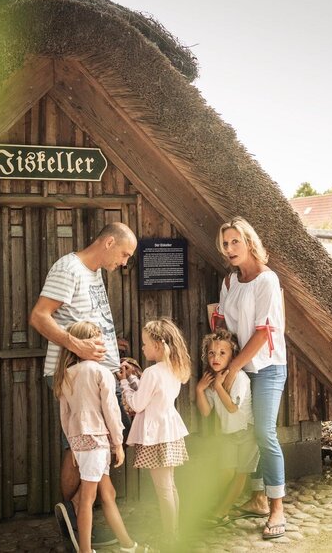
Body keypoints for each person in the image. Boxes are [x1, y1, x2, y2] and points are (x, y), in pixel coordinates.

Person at [30, 221, 137, 548]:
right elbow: (39, 317)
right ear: (108, 243)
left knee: (89, 444)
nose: (124, 263)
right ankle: (76, 518)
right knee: (76, 446)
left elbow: (82, 320)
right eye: (124, 254)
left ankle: (81, 508)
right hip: (76, 375)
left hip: (98, 372)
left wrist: (109, 345)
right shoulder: (68, 268)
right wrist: (77, 347)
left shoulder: (95, 273)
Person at [212, 217, 288, 540]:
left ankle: (277, 508)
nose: (229, 249)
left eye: (235, 243)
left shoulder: (267, 281)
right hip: (240, 369)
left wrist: (232, 369)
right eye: (225, 244)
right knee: (244, 434)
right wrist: (222, 362)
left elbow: (261, 334)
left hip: (268, 368)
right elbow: (224, 328)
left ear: (249, 243)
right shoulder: (230, 282)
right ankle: (257, 498)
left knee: (263, 432)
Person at [53, 321, 141, 553]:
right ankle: (85, 550)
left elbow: (65, 416)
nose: (103, 346)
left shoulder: (66, 374)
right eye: (99, 341)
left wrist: (72, 444)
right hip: (98, 441)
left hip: (80, 442)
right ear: (85, 344)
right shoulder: (101, 372)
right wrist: (118, 443)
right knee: (88, 500)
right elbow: (112, 412)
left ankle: (128, 545)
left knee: (105, 493)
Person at [118, 318, 191, 546]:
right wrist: (132, 378)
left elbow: (138, 404)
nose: (142, 348)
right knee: (170, 486)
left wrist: (123, 384)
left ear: (158, 345)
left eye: (145, 344)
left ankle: (171, 537)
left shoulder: (151, 372)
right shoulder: (174, 369)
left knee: (163, 490)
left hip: (155, 435)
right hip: (169, 430)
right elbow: (149, 395)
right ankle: (175, 530)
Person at [195, 329, 259, 525]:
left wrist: (220, 387)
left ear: (232, 356)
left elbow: (232, 408)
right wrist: (199, 390)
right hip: (228, 435)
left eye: (223, 353)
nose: (216, 357)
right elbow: (206, 412)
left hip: (247, 432)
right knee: (225, 472)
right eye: (212, 353)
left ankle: (221, 512)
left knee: (240, 474)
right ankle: (209, 503)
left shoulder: (239, 377)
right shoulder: (212, 380)